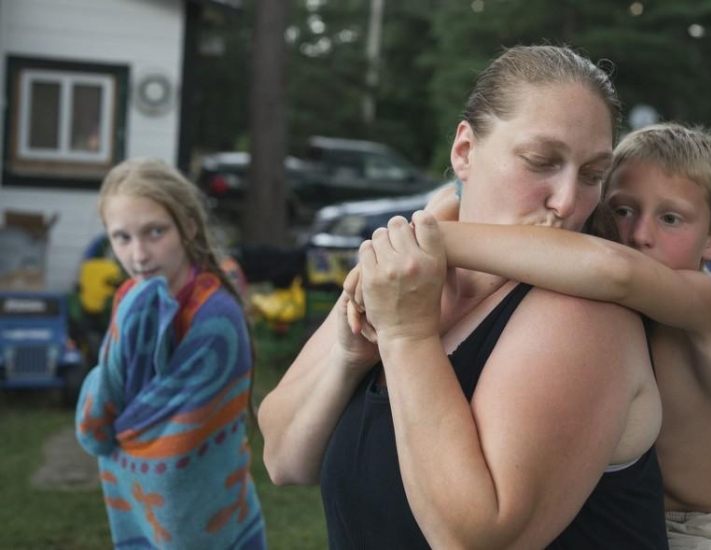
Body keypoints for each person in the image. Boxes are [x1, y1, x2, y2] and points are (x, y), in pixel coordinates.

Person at [259, 44, 668, 549]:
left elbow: (475, 540)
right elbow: (282, 458)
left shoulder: (584, 316)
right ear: (464, 152)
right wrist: (351, 353)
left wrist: (407, 337)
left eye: (591, 175)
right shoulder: (413, 278)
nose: (567, 202)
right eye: (541, 161)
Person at [422, 123, 711, 549]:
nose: (641, 234)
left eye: (671, 218)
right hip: (626, 516)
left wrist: (432, 241)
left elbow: (616, 272)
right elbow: (450, 195)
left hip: (703, 532)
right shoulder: (611, 301)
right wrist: (431, 221)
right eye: (623, 210)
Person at [75, 158, 266, 549]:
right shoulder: (131, 300)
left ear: (187, 227)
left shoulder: (216, 319)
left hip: (209, 518)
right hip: (141, 521)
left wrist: (113, 428)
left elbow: (172, 450)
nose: (139, 254)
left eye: (154, 232)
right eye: (122, 238)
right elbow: (100, 422)